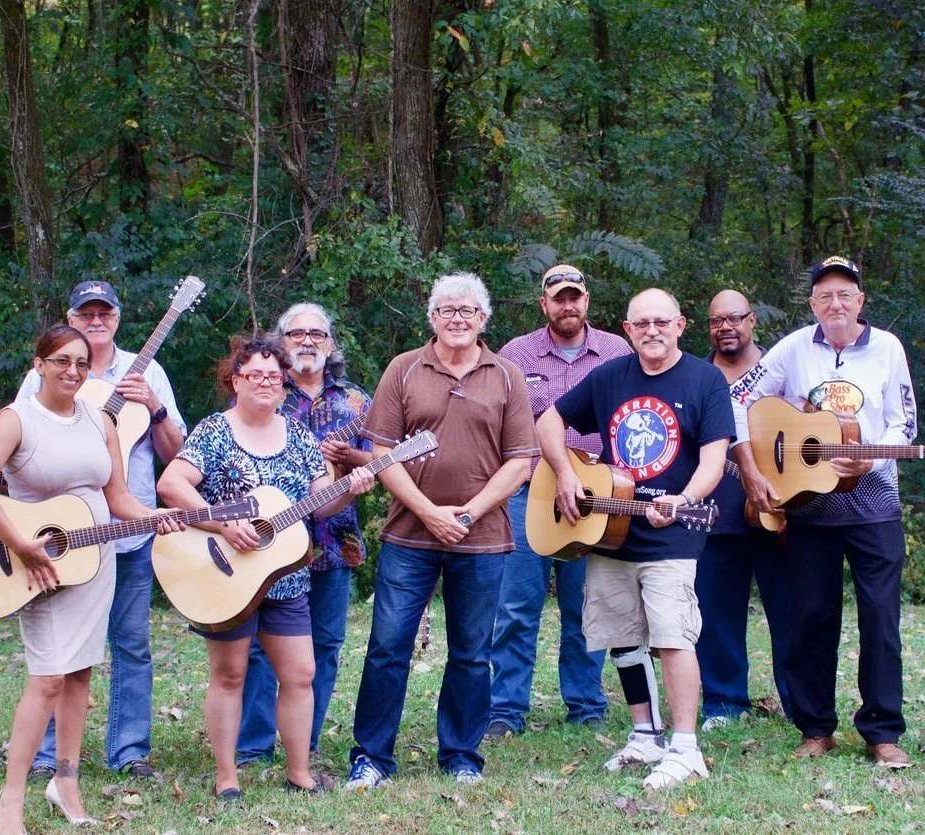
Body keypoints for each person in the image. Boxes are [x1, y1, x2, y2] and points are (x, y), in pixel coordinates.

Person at [0, 325, 184, 834]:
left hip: (93, 558)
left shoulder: (101, 419)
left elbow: (118, 498)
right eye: (61, 360)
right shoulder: (16, 419)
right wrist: (19, 543)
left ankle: (65, 781)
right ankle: (10, 798)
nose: (73, 371)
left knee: (81, 673)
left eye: (82, 363)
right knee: (48, 680)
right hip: (36, 561)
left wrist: (154, 518)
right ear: (38, 364)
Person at [157, 334, 376, 801]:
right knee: (230, 674)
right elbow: (172, 482)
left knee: (300, 674)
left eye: (273, 377)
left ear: (283, 386)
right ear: (236, 380)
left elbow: (323, 504)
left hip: (285, 578)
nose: (264, 383)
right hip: (226, 574)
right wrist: (223, 523)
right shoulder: (215, 430)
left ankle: (300, 773)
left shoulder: (299, 436)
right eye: (253, 374)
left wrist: (353, 487)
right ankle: (226, 777)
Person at [346, 273, 538, 790]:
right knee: (388, 647)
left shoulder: (506, 376)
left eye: (468, 310)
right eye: (447, 309)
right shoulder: (404, 369)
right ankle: (371, 758)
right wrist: (429, 510)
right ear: (432, 318)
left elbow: (520, 461)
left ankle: (460, 755)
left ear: (483, 319)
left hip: (481, 538)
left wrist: (468, 513)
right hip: (410, 536)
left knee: (473, 652)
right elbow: (382, 452)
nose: (457, 318)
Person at [539, 287, 733, 789]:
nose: (651, 331)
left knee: (672, 635)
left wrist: (685, 499)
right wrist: (564, 473)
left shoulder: (705, 380)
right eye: (641, 323)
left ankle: (685, 748)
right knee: (622, 637)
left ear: (680, 325)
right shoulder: (609, 377)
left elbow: (715, 457)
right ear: (627, 330)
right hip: (611, 528)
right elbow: (548, 421)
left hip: (672, 532)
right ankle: (645, 734)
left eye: (661, 322)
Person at [733, 256, 918, 769]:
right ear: (812, 303)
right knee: (811, 618)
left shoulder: (888, 349)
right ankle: (815, 729)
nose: (835, 304)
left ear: (861, 300)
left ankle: (882, 732)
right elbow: (737, 403)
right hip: (809, 506)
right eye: (824, 296)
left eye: (845, 294)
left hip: (875, 504)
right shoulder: (792, 348)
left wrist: (868, 458)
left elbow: (905, 425)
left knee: (881, 620)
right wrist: (751, 466)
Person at [16, 280, 185, 783]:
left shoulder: (147, 369)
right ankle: (48, 756)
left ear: (117, 317)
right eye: (85, 313)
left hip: (128, 533)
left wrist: (153, 406)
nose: (96, 321)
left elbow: (177, 453)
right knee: (59, 649)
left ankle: (129, 751)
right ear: (70, 317)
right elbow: (19, 447)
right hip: (64, 537)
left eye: (104, 313)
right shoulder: (47, 373)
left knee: (131, 645)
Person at [486, 265, 632, 738]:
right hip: (530, 495)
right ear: (544, 305)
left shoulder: (616, 352)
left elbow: (631, 422)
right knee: (515, 607)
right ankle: (506, 709)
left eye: (575, 297)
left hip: (596, 496)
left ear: (587, 300)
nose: (568, 305)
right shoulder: (515, 354)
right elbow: (499, 427)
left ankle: (586, 704)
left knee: (586, 604)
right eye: (558, 298)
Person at [236, 304, 375, 768]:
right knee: (259, 645)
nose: (308, 341)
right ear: (282, 341)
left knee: (326, 645)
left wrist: (352, 464)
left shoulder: (357, 401)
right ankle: (254, 746)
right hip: (265, 543)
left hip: (335, 539)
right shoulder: (266, 388)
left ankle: (305, 742)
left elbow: (378, 458)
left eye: (318, 333)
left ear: (331, 344)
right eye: (297, 333)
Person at [698, 289, 793, 731]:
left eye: (734, 318)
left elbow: (802, 431)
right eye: (717, 320)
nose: (725, 327)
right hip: (715, 516)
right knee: (717, 617)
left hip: (779, 513)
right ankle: (723, 703)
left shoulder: (781, 369)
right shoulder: (697, 376)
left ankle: (800, 703)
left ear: (752, 321)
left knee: (790, 613)